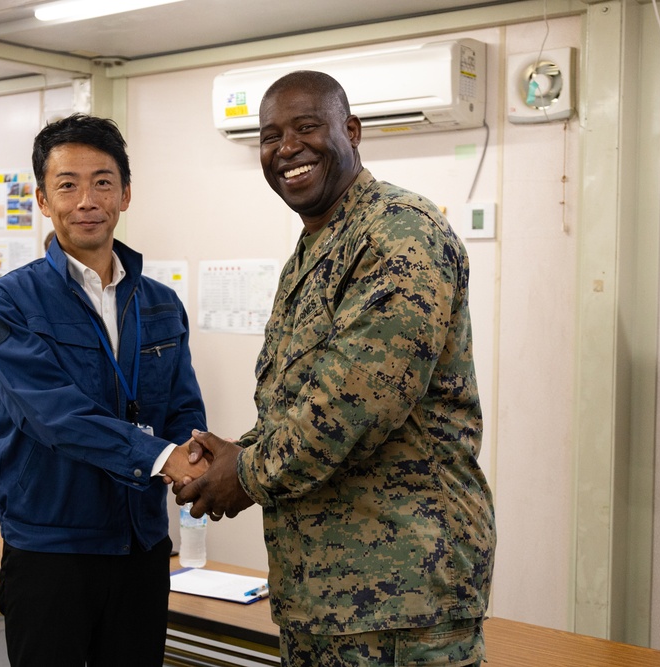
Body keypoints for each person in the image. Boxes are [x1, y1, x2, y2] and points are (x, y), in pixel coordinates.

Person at [175, 71, 496, 666]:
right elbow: (303, 400)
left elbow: (354, 406)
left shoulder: (398, 231)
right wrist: (238, 451)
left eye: (305, 128)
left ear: (350, 131)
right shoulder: (317, 245)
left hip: (401, 595)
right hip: (324, 593)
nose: (286, 149)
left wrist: (241, 472)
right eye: (270, 136)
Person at [0, 113, 208, 667]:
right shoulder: (8, 303)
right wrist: (166, 458)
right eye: (68, 184)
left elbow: (182, 404)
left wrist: (200, 461)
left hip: (140, 541)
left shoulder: (159, 302)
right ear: (41, 198)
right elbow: (54, 415)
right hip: (50, 544)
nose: (87, 200)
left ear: (126, 194)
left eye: (103, 182)